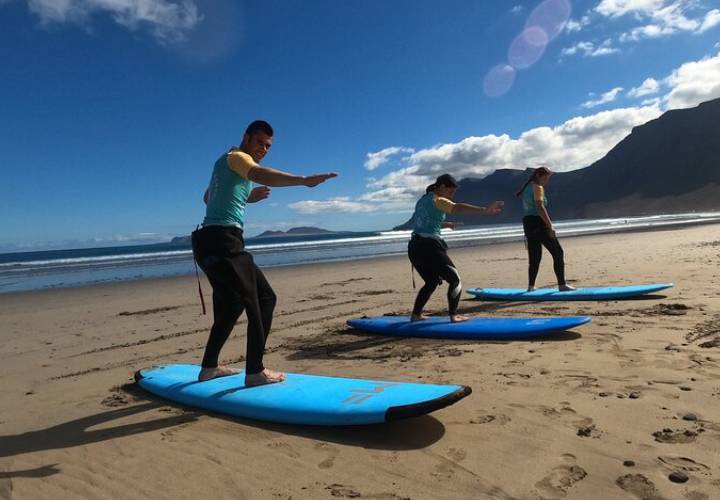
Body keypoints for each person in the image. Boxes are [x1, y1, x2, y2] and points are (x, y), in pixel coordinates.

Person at [192, 120, 337, 385]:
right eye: (260, 142)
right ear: (246, 137)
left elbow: (207, 198)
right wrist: (304, 181)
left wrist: (247, 197)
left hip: (207, 242)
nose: (264, 149)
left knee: (232, 304)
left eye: (268, 146)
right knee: (265, 298)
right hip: (225, 241)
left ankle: (209, 368)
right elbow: (259, 173)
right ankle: (255, 371)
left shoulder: (222, 163)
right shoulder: (238, 157)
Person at [408, 173, 504, 323]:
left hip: (414, 247)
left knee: (431, 282)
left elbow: (426, 223)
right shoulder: (438, 200)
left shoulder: (422, 201)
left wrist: (447, 224)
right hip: (429, 247)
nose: (451, 196)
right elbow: (458, 208)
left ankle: (416, 315)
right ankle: (453, 315)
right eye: (450, 192)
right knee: (455, 280)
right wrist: (485, 210)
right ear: (441, 187)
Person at [516, 166, 575, 292]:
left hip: (528, 223)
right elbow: (540, 207)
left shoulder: (527, 187)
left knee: (535, 257)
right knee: (558, 252)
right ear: (539, 176)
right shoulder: (538, 188)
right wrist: (550, 225)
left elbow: (530, 207)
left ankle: (531, 286)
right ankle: (562, 285)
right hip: (539, 223)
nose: (547, 181)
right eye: (546, 177)